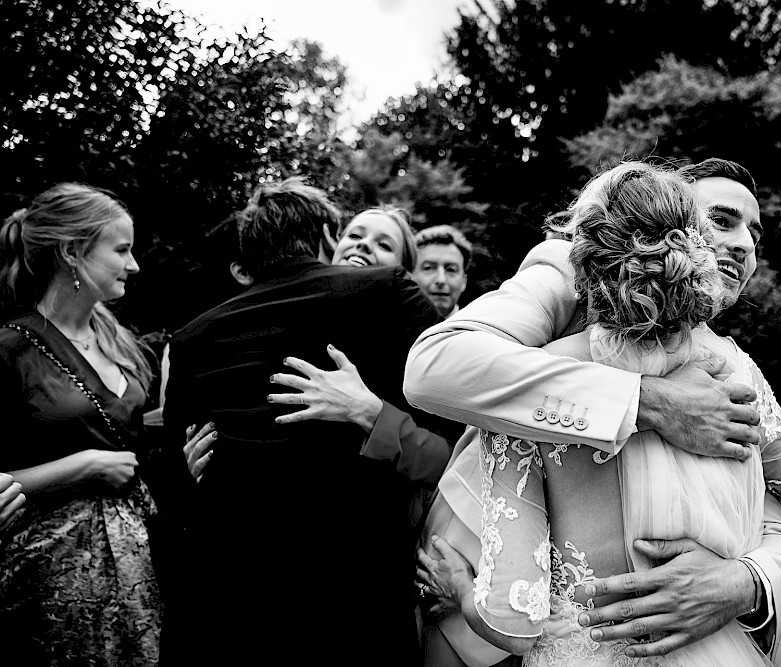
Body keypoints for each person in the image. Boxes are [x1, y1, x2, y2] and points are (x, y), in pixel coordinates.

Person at [416, 161, 781, 666]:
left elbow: (514, 616)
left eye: (754, 232)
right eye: (720, 221)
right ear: (685, 238)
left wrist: (741, 581)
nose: (744, 244)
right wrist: (648, 400)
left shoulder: (732, 363)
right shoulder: (736, 373)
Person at [161, 178, 448, 666]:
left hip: (226, 602)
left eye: (382, 243)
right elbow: (458, 455)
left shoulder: (193, 336)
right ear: (325, 236)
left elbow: (451, 458)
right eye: (353, 236)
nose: (360, 250)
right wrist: (186, 474)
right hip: (344, 600)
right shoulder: (388, 294)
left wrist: (369, 412)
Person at [0, 183, 164, 663]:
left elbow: (138, 446)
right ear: (73, 251)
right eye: (122, 249)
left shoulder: (124, 344)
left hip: (137, 576)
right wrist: (84, 464)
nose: (133, 265)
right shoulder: (12, 350)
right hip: (45, 581)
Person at [413, 224, 473, 317]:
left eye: (451, 270)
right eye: (428, 268)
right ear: (410, 276)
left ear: (464, 281)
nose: (441, 280)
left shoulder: (478, 330)